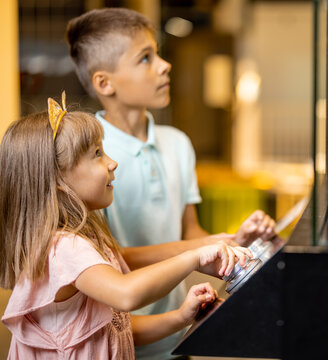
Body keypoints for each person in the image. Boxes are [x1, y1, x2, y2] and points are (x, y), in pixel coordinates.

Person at [65, 7, 276, 359]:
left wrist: (231, 242)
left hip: (179, 332)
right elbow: (106, 262)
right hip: (119, 339)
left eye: (158, 53)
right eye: (145, 58)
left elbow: (189, 231)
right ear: (105, 82)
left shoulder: (178, 143)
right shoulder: (89, 158)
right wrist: (202, 249)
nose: (165, 65)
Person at [0, 97, 251, 359]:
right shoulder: (63, 248)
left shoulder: (89, 237)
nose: (112, 162)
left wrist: (181, 317)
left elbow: (116, 329)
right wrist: (194, 257)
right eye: (97, 154)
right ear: (59, 181)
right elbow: (126, 294)